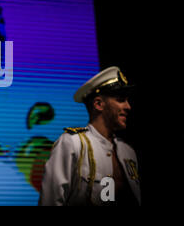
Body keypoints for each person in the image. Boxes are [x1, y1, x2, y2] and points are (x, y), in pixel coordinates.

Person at [39, 66, 141, 206]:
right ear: (98, 104)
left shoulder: (128, 152)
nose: (128, 106)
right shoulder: (72, 143)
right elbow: (50, 201)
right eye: (120, 99)